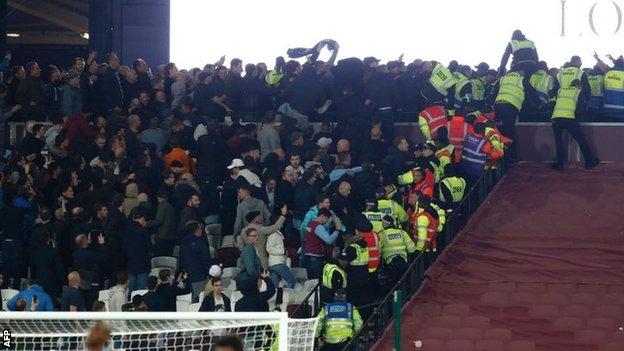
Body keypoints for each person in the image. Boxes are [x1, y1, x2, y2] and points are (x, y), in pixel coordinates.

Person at [551, 79, 600, 170]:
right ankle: (589, 162)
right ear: (578, 86)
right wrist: (576, 114)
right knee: (581, 140)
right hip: (569, 118)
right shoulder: (577, 92)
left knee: (559, 142)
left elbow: (553, 103)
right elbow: (582, 108)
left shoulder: (560, 90)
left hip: (556, 118)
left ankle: (560, 164)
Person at [378, 215, 417, 285]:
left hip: (390, 264)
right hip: (403, 261)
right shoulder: (402, 232)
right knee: (404, 282)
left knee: (393, 284)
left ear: (385, 224)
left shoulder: (381, 235)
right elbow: (412, 249)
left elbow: (378, 252)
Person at [303, 208, 340, 280]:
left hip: (308, 257)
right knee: (316, 282)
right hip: (315, 259)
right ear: (323, 216)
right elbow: (329, 240)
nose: (327, 221)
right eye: (327, 218)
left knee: (311, 283)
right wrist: (337, 230)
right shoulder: (318, 227)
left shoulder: (310, 224)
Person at [180, 221, 212, 300]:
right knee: (199, 299)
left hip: (187, 276)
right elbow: (205, 260)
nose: (202, 230)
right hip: (199, 276)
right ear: (197, 230)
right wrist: (209, 273)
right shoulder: (200, 243)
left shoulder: (183, 243)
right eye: (201, 229)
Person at [123, 209, 151, 294]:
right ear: (142, 219)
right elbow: (148, 248)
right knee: (140, 292)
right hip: (142, 265)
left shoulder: (126, 231)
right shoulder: (144, 232)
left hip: (130, 264)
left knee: (131, 292)